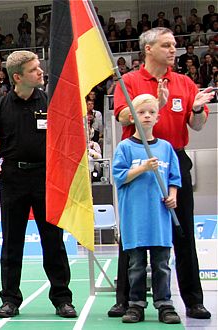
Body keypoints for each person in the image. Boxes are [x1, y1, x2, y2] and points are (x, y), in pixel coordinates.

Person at [109, 27, 215, 320]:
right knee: (132, 233)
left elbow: (196, 125)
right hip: (139, 159)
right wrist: (157, 104)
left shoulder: (184, 82)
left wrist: (195, 109)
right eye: (166, 45)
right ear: (148, 49)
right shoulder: (129, 82)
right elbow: (123, 117)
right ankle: (125, 300)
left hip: (174, 159)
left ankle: (193, 300)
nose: (173, 50)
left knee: (183, 233)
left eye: (174, 45)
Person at [0, 50, 76, 319]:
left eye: (39, 67)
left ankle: (62, 299)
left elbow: (67, 135)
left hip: (47, 178)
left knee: (53, 241)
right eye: (34, 69)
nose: (40, 72)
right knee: (11, 242)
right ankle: (10, 300)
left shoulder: (50, 102)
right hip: (12, 179)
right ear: (18, 77)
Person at [112, 94, 181, 324]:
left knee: (162, 265)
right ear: (132, 117)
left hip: (159, 218)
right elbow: (120, 177)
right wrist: (143, 168)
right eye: (141, 112)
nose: (147, 116)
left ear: (158, 118)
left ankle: (164, 304)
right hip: (135, 219)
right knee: (136, 266)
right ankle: (136, 305)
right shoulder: (125, 147)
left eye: (152, 112)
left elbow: (174, 178)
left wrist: (172, 196)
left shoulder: (165, 148)